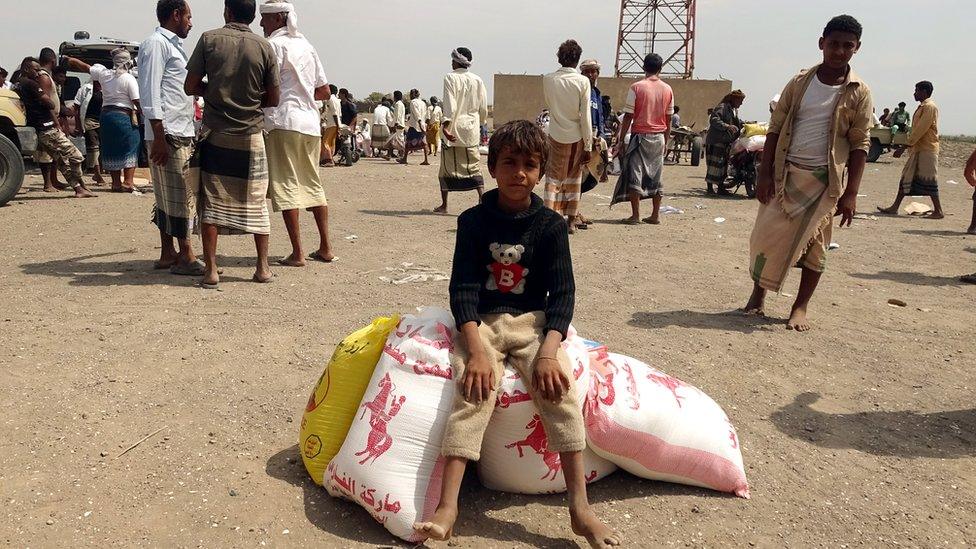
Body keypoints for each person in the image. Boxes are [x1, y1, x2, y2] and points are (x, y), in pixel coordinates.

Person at [412, 120, 619, 549]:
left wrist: (548, 351)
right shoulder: (472, 221)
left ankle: (579, 508)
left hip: (532, 323)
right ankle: (448, 506)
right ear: (491, 166)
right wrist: (476, 350)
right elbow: (463, 289)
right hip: (481, 323)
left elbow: (562, 294)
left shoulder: (550, 226)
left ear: (541, 172)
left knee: (560, 391)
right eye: (509, 162)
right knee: (473, 392)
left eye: (529, 165)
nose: (518, 173)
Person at [744, 14, 873, 332]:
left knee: (816, 248)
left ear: (856, 49)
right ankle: (757, 297)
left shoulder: (859, 92)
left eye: (847, 46)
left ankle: (799, 307)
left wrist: (851, 193)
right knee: (765, 239)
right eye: (834, 44)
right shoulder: (800, 82)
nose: (839, 51)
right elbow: (775, 129)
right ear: (822, 44)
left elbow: (860, 144)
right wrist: (764, 174)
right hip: (784, 175)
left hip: (824, 182)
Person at [184, 0, 281, 289]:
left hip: (216, 133)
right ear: (252, 16)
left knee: (211, 202)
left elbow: (190, 86)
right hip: (251, 135)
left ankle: (212, 271)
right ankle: (262, 267)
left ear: (227, 12)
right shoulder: (265, 47)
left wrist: (214, 93)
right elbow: (274, 98)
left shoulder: (209, 39)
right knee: (256, 201)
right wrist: (250, 101)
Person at [259, 0, 336, 267]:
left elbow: (267, 87)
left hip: (283, 122)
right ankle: (325, 247)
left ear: (278, 19)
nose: (261, 25)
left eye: (265, 20)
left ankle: (297, 252)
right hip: (310, 124)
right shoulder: (307, 45)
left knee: (286, 185)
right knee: (312, 184)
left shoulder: (272, 46)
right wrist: (302, 94)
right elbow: (324, 90)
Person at [137, 0, 202, 275]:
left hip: (177, 129)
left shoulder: (173, 45)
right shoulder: (156, 44)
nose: (190, 22)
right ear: (175, 15)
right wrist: (160, 136)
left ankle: (168, 253)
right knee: (179, 194)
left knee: (167, 194)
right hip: (169, 132)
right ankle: (186, 256)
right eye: (188, 16)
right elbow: (150, 92)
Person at [14, 57, 96, 198]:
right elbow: (49, 103)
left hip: (38, 127)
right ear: (27, 69)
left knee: (61, 162)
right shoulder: (32, 84)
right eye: (35, 69)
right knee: (76, 156)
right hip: (47, 127)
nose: (38, 73)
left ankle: (79, 188)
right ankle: (80, 185)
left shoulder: (18, 84)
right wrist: (55, 116)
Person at [64, 50, 143, 193]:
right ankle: (128, 181)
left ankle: (116, 183)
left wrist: (69, 59)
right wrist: (144, 114)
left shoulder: (104, 74)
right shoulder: (128, 78)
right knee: (131, 143)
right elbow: (136, 100)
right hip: (123, 116)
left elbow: (85, 67)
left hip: (106, 116)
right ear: (128, 63)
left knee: (111, 147)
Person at [610, 53, 673, 225]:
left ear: (644, 67)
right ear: (660, 68)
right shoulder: (668, 89)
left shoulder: (636, 87)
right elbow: (668, 120)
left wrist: (620, 139)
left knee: (635, 175)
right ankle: (655, 215)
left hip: (640, 137)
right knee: (656, 176)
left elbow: (628, 116)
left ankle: (636, 215)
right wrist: (666, 142)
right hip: (659, 137)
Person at [542, 40, 592, 234]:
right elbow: (585, 115)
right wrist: (588, 145)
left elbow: (549, 104)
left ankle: (549, 219)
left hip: (554, 134)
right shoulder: (582, 81)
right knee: (574, 178)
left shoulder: (548, 79)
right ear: (577, 59)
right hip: (576, 136)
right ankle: (571, 222)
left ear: (559, 58)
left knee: (553, 178)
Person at [877, 81, 943, 219]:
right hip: (918, 149)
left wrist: (903, 147)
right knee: (906, 176)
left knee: (930, 179)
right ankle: (894, 207)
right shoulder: (922, 107)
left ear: (924, 91)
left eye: (916, 90)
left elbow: (920, 130)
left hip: (927, 149)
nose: (914, 93)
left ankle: (938, 211)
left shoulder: (929, 107)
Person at [434, 47, 488, 213]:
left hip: (453, 130)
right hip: (471, 130)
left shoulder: (450, 78)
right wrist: (482, 122)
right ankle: (482, 200)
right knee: (474, 166)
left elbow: (450, 104)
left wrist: (445, 126)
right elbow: (483, 106)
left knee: (446, 169)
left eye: (453, 59)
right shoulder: (477, 80)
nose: (451, 62)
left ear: (458, 61)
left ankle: (444, 205)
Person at [579, 58, 608, 228]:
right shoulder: (580, 90)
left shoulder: (596, 93)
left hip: (597, 138)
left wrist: (602, 135)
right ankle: (572, 213)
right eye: (587, 71)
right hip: (584, 139)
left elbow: (600, 117)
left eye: (593, 71)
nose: (591, 74)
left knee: (592, 177)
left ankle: (574, 210)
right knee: (579, 178)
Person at [703, 90, 745, 195]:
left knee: (722, 165)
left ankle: (721, 187)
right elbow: (714, 120)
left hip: (725, 141)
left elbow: (736, 122)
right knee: (714, 164)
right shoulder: (722, 107)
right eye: (740, 100)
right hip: (716, 141)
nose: (741, 103)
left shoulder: (732, 110)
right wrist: (727, 126)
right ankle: (710, 189)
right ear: (734, 99)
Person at [34, 48, 64, 192]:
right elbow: (45, 102)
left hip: (52, 118)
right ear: (53, 61)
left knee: (54, 153)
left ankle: (53, 180)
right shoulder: (44, 77)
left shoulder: (47, 76)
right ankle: (48, 184)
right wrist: (56, 122)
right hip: (47, 120)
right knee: (46, 153)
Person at [73, 80, 106, 185]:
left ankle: (99, 171)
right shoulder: (86, 89)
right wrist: (78, 125)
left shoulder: (106, 89)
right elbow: (77, 107)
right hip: (89, 121)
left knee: (102, 147)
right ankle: (97, 173)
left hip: (103, 121)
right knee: (93, 147)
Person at [399, 88, 430, 165]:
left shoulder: (413, 102)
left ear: (412, 95)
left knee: (408, 141)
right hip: (422, 124)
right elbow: (425, 114)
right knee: (423, 141)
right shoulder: (423, 103)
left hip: (415, 124)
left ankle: (404, 158)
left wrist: (419, 122)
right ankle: (426, 159)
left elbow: (416, 113)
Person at [319, 84, 340, 167]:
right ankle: (330, 158)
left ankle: (329, 160)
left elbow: (334, 114)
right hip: (335, 124)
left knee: (325, 142)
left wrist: (337, 125)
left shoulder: (330, 99)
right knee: (331, 142)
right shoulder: (337, 100)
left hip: (332, 124)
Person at [390, 89, 407, 157]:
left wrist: (395, 125)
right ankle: (392, 154)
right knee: (398, 139)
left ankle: (402, 154)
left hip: (398, 124)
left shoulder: (398, 104)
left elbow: (398, 115)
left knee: (399, 140)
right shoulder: (401, 104)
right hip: (400, 124)